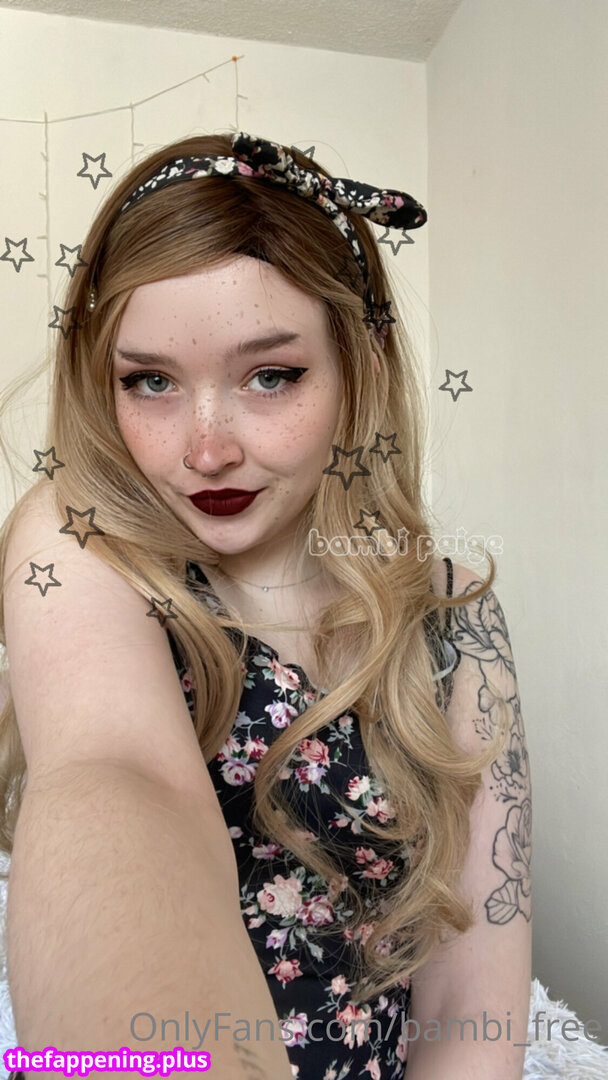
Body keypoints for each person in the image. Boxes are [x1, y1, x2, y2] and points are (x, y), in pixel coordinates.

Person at [0, 132, 532, 1079]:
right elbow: (116, 778)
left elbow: (469, 1000)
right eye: (150, 381)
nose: (207, 450)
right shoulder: (79, 543)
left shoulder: (453, 614)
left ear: (360, 369)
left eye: (271, 375)